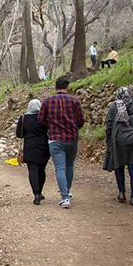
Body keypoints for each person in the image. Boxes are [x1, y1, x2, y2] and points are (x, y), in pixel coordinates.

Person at [38, 77, 85, 208]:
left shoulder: (47, 102)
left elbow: (40, 120)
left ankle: (65, 197)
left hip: (55, 139)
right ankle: (67, 191)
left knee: (60, 168)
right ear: (67, 87)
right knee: (70, 165)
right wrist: (73, 128)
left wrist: (51, 126)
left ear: (55, 87)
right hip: (72, 138)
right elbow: (81, 120)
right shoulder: (75, 101)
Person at [102, 87, 133, 206]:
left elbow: (109, 125)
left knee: (119, 166)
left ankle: (122, 193)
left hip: (119, 140)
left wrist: (109, 140)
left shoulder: (114, 107)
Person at [16, 99, 50, 205]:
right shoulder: (44, 117)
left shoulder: (24, 118)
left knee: (33, 170)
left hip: (30, 147)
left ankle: (36, 194)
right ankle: (40, 192)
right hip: (44, 146)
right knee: (42, 169)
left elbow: (19, 135)